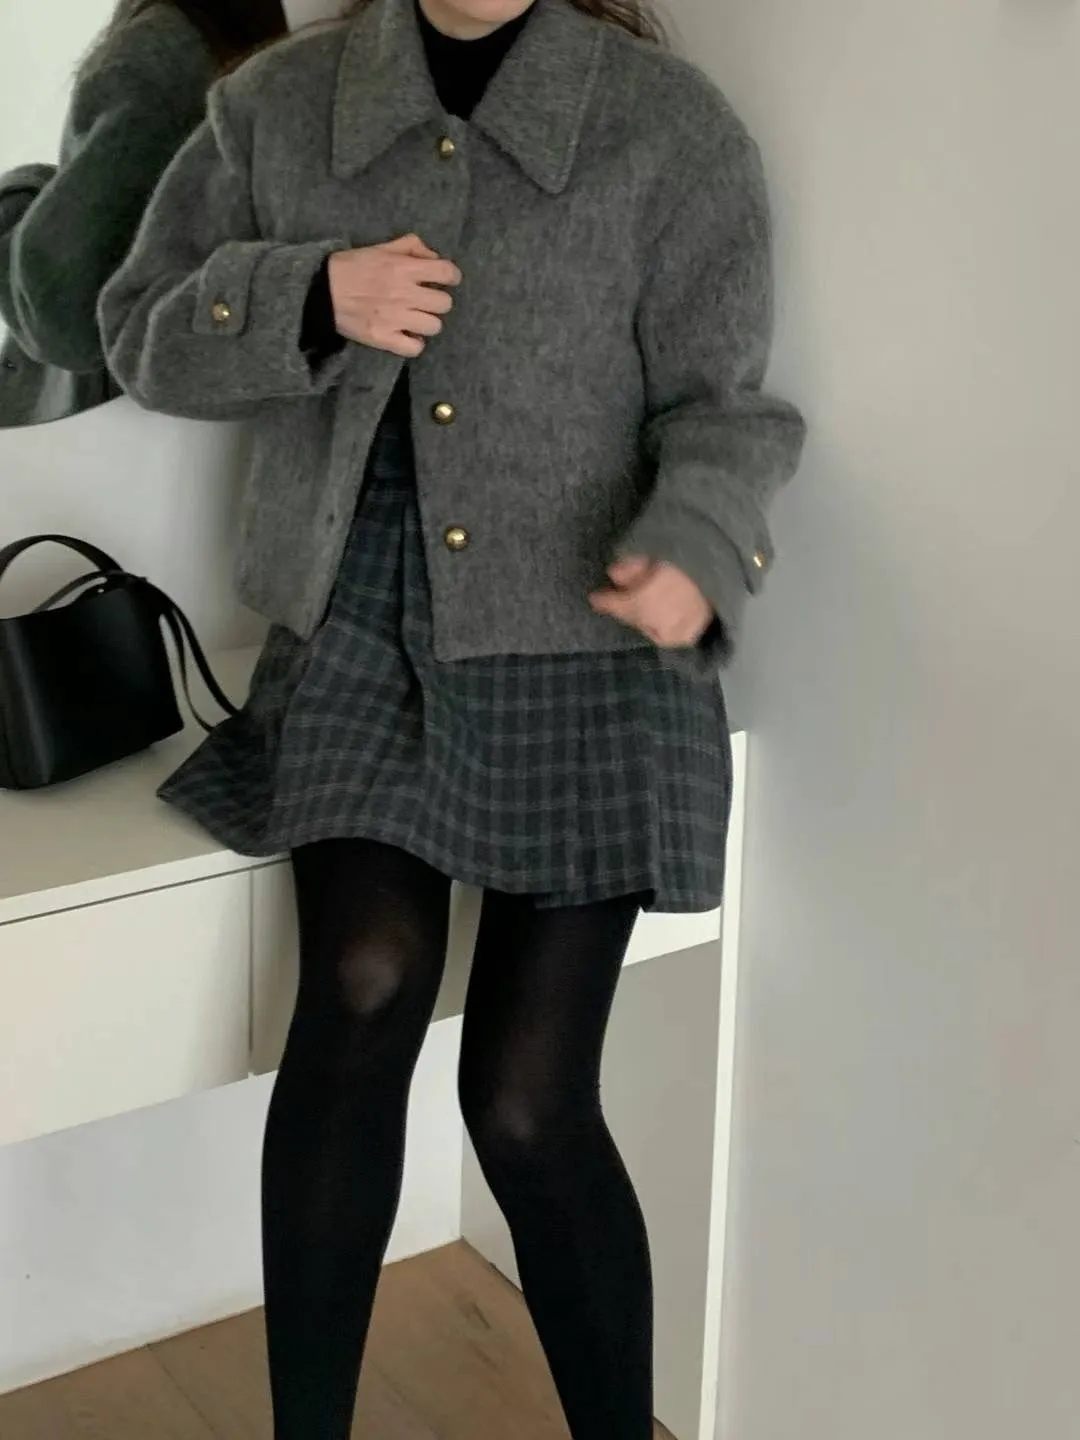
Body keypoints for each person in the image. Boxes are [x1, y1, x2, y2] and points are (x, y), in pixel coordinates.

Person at [99, 0, 806, 1434]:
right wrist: (310, 294)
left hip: (588, 642)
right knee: (361, 985)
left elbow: (725, 414)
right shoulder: (280, 105)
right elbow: (139, 337)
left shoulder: (670, 130)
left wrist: (695, 543)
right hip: (361, 622)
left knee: (527, 1107)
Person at [0, 0, 288, 428]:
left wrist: (19, 196)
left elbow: (64, 314)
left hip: (108, 437)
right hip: (247, 430)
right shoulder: (344, 37)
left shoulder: (164, 55)